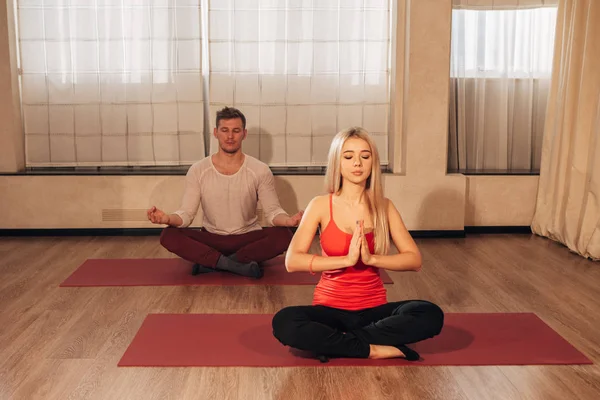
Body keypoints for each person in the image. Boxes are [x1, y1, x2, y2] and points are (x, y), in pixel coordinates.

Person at [271, 127, 444, 362]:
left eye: (365, 156)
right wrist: (346, 260)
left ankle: (335, 343)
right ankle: (371, 348)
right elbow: (292, 261)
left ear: (373, 162)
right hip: (329, 309)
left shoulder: (384, 207)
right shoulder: (321, 205)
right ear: (337, 163)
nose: (357, 164)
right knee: (284, 322)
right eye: (348, 156)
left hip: (374, 312)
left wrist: (372, 260)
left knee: (430, 314)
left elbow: (414, 259)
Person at [147, 107, 303, 279]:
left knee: (284, 234)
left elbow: (273, 212)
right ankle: (237, 265)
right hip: (212, 239)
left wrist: (289, 220)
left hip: (248, 238)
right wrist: (166, 219)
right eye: (225, 130)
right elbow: (186, 214)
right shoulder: (198, 170)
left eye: (236, 131)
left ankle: (213, 263)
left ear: (244, 134)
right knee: (169, 234)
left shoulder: (260, 170)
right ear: (215, 133)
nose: (230, 136)